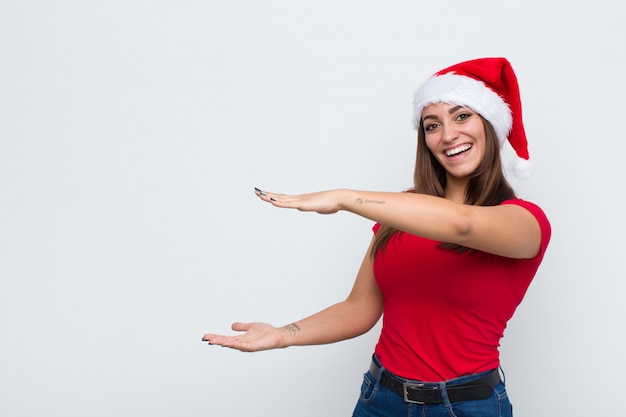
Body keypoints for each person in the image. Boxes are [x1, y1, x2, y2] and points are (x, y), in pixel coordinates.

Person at [202, 57, 551, 417]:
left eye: (463, 116)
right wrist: (283, 334)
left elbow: (461, 224)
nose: (447, 135)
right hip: (380, 399)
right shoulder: (401, 212)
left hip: (466, 407)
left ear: (491, 124)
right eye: (432, 125)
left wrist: (344, 198)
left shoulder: (525, 221)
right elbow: (359, 309)